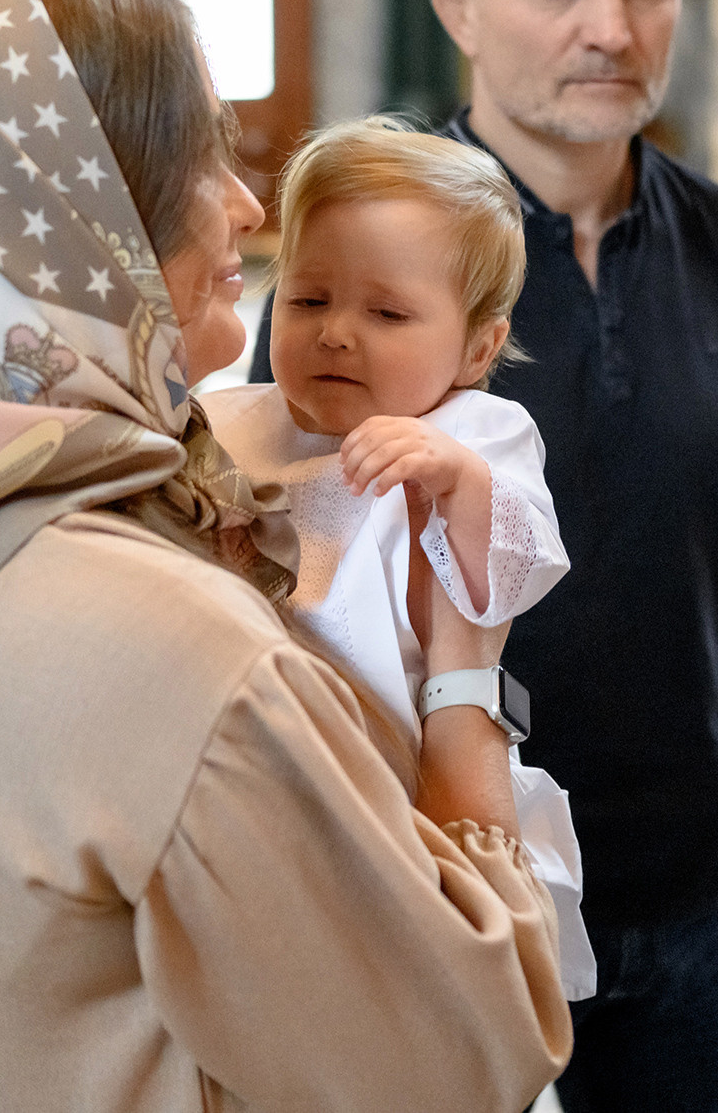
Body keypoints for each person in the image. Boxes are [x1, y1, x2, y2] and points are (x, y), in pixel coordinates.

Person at [0, 0, 571, 1112]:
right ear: (89, 216)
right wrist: (465, 685)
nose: (245, 205)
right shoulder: (177, 649)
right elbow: (475, 1051)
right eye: (205, 153)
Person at [250, 0, 718, 1110]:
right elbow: (266, 582)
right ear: (460, 6)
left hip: (694, 894)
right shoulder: (360, 252)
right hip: (434, 884)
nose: (613, 28)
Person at [203, 117, 595, 999]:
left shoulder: (474, 433)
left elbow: (512, 575)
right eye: (308, 300)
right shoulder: (239, 423)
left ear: (479, 347)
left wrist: (454, 485)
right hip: (258, 773)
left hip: (412, 781)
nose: (337, 333)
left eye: (385, 312)